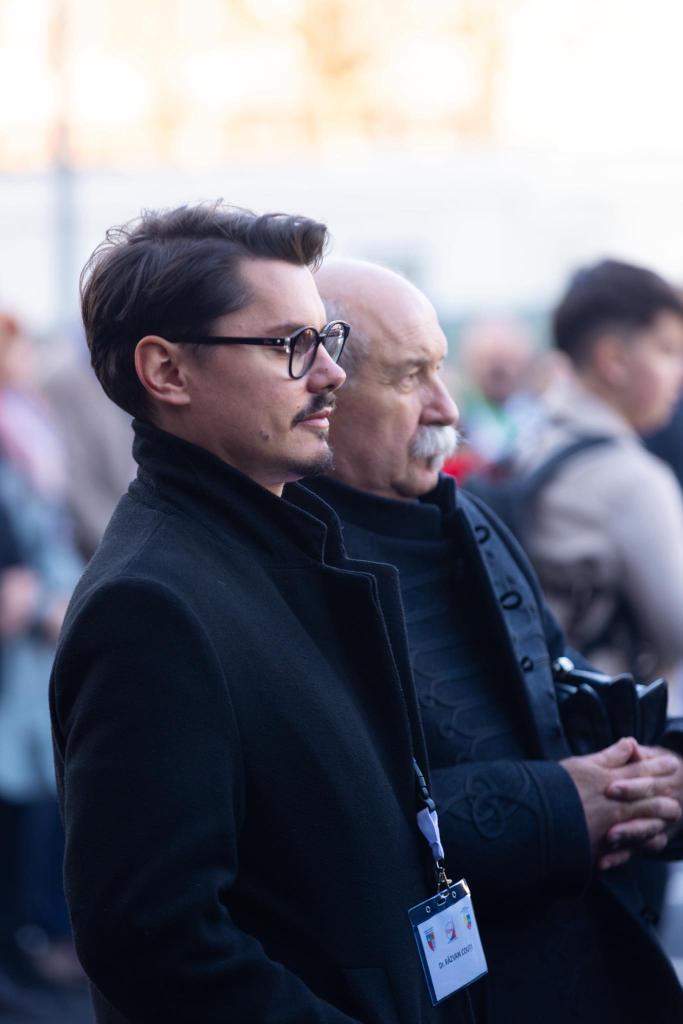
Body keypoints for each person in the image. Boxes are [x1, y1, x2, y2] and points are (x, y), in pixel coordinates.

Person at [49, 204, 479, 1024]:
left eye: (327, 339)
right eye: (290, 344)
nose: (331, 373)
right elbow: (156, 940)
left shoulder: (277, 545)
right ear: (167, 372)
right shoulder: (151, 605)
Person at [308, 258, 683, 1024]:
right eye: (409, 376)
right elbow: (322, 825)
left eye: (439, 369)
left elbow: (552, 689)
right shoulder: (283, 563)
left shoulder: (463, 516)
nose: (446, 407)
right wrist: (566, 803)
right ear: (319, 392)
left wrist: (654, 781)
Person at [512, 259, 683, 683]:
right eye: (668, 351)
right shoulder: (632, 481)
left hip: (538, 698)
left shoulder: (531, 440)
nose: (679, 373)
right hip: (608, 712)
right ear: (614, 359)